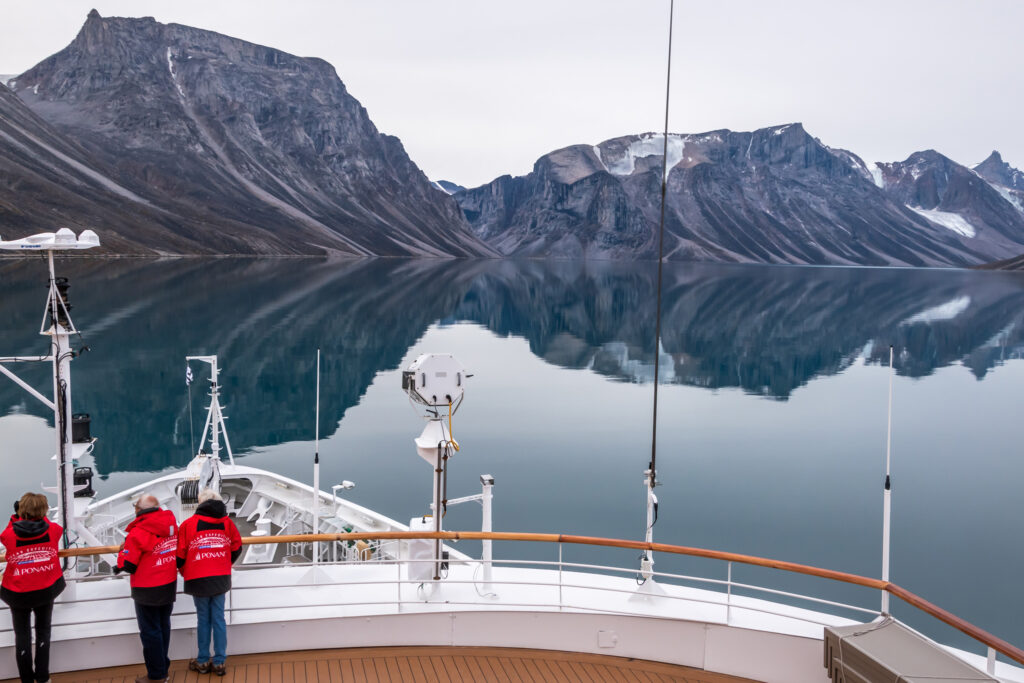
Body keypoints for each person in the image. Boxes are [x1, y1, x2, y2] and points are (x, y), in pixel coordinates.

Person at [1, 492, 65, 683]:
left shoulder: (10, 534)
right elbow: (52, 526)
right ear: (44, 511)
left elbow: (6, 534)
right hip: (45, 590)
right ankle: (43, 678)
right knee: (43, 632)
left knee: (22, 636)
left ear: (21, 510)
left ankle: (26, 680)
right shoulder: (53, 530)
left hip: (18, 592)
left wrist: (17, 517)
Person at [177, 489, 241, 676]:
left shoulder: (189, 525)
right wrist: (224, 563)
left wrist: (184, 571)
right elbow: (237, 547)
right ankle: (219, 662)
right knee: (219, 619)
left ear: (201, 504)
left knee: (203, 619)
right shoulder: (227, 523)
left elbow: (180, 555)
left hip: (198, 578)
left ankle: (203, 661)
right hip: (220, 577)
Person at [115, 494, 177, 683]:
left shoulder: (138, 532)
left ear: (138, 510)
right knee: (163, 626)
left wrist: (121, 552)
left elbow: (129, 565)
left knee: (150, 632)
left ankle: (157, 675)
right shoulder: (172, 525)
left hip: (147, 588)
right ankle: (163, 667)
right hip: (168, 583)